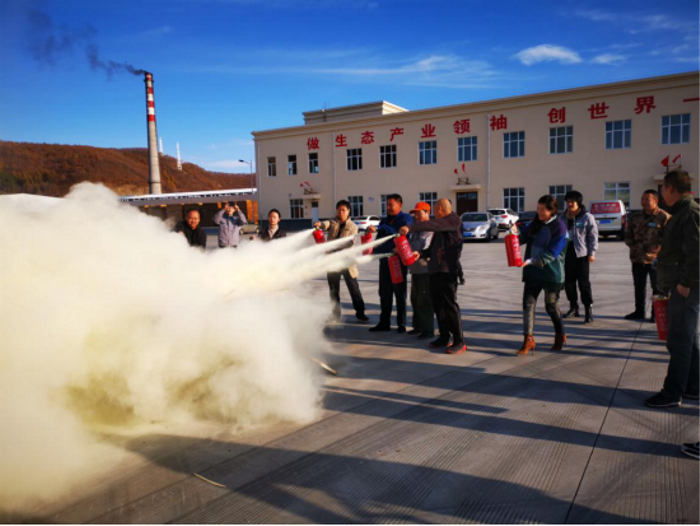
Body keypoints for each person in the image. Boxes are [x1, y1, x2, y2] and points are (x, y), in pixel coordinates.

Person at [644, 170, 700, 408]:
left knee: (678, 341)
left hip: (686, 287)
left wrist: (684, 284)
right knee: (688, 339)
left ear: (669, 189)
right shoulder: (682, 212)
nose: (662, 196)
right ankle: (693, 386)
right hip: (680, 285)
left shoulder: (689, 213)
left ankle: (672, 392)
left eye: (663, 191)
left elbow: (696, 253)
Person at [399, 198, 465, 354]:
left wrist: (410, 227)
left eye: (434, 210)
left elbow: (433, 224)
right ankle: (444, 336)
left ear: (441, 209)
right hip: (435, 270)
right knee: (438, 305)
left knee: (449, 306)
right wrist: (421, 253)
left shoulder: (453, 221)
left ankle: (459, 340)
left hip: (448, 270)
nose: (434, 214)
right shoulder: (442, 226)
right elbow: (433, 249)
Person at [510, 195, 569, 355]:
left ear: (552, 210)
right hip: (533, 273)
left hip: (552, 273)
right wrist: (513, 233)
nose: (539, 213)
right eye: (538, 209)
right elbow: (521, 238)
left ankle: (560, 335)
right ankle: (528, 340)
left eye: (543, 210)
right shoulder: (535, 223)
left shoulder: (560, 227)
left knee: (551, 306)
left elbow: (552, 254)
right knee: (528, 305)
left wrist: (530, 261)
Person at [314, 200, 369, 323]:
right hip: (332, 262)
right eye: (339, 209)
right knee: (333, 290)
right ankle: (335, 314)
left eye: (343, 210)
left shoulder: (353, 226)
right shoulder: (333, 222)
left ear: (348, 211)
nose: (341, 212)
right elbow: (325, 224)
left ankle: (360, 313)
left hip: (347, 262)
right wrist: (319, 224)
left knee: (354, 289)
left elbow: (350, 242)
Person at [366, 194, 413, 333]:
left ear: (400, 205)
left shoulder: (405, 219)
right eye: (386, 205)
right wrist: (372, 250)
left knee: (399, 293)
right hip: (385, 261)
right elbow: (380, 239)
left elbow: (396, 231)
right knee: (384, 293)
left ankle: (401, 324)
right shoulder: (384, 220)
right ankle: (384, 323)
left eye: (391, 205)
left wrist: (380, 228)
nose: (388, 207)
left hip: (397, 261)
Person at [624, 190, 670, 321]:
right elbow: (628, 234)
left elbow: (670, 238)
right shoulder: (635, 217)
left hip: (656, 260)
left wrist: (659, 251)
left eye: (647, 199)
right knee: (639, 286)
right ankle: (639, 311)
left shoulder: (664, 217)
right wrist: (633, 246)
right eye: (642, 199)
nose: (644, 202)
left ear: (655, 201)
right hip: (638, 258)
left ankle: (656, 313)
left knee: (658, 288)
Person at [561, 190, 598, 324]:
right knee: (569, 283)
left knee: (584, 283)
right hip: (566, 254)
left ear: (578, 203)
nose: (569, 204)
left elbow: (593, 236)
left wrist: (592, 253)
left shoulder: (587, 217)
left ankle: (588, 309)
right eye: (568, 201)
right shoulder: (562, 218)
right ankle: (573, 307)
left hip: (582, 254)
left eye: (572, 202)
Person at [407, 202, 435, 339]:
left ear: (427, 213)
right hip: (415, 269)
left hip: (425, 269)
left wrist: (405, 247)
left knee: (424, 300)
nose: (416, 216)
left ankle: (428, 330)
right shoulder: (416, 228)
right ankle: (417, 327)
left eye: (419, 213)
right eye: (415, 213)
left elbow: (422, 245)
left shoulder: (429, 228)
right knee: (415, 299)